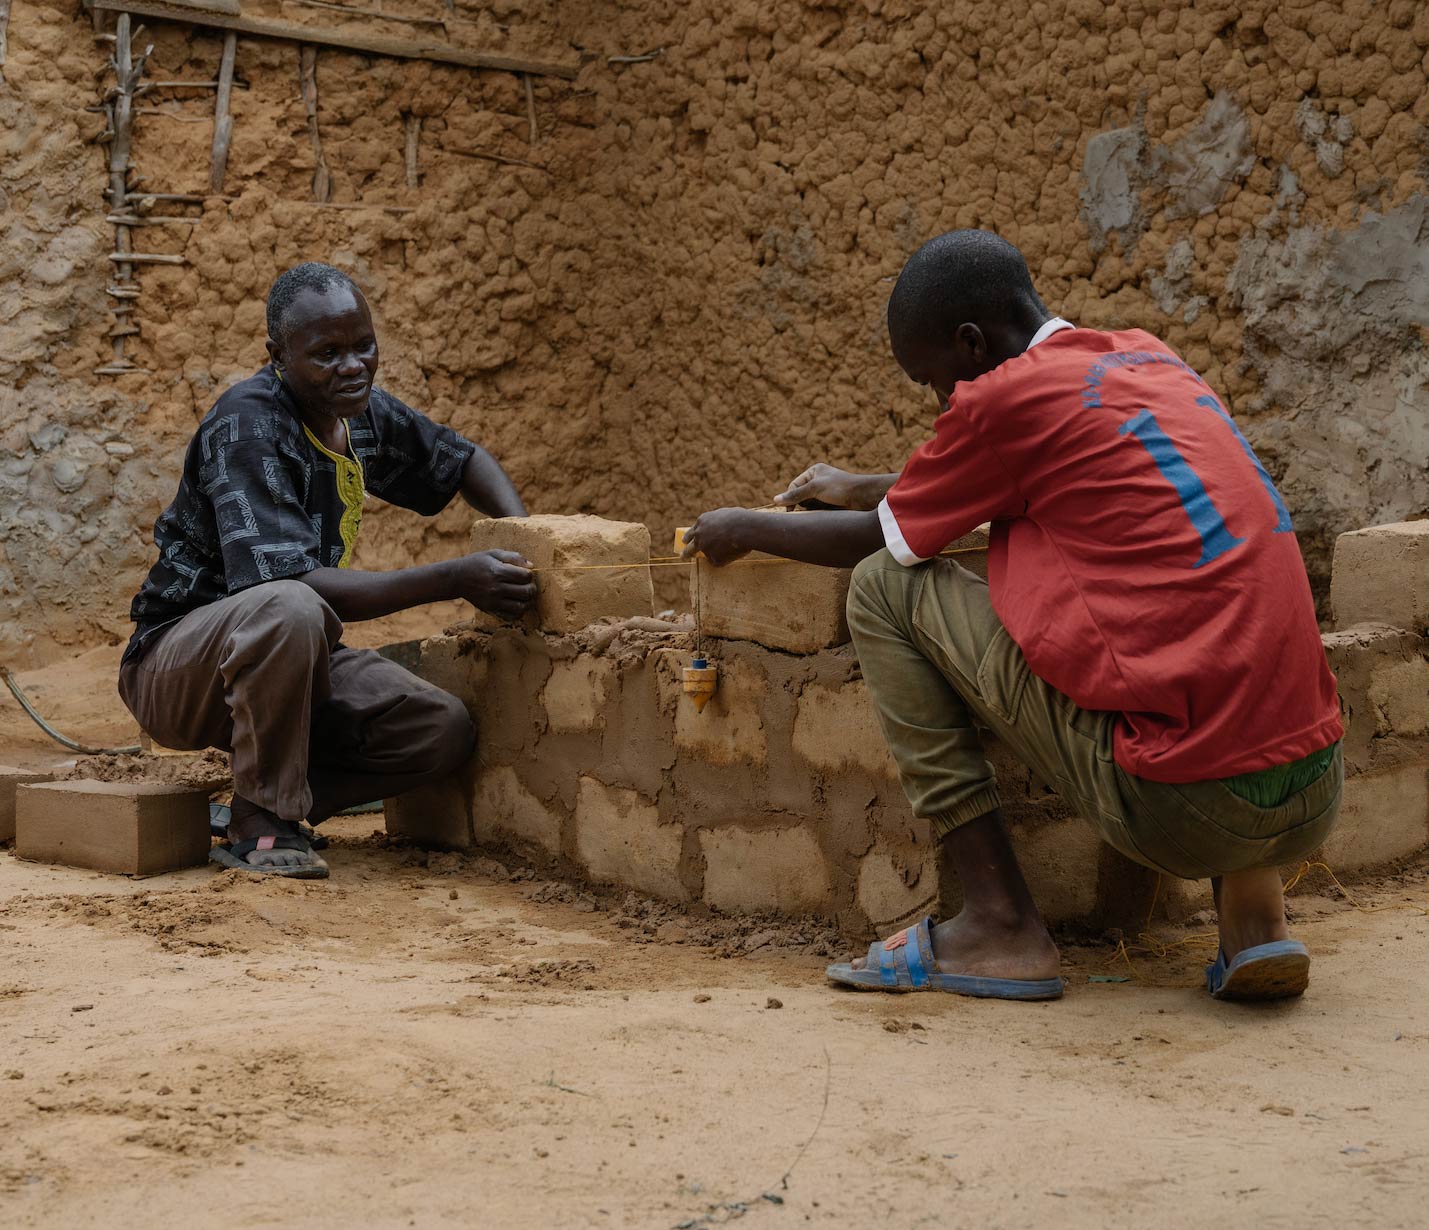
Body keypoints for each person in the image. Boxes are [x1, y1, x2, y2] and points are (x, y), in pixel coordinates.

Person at [682, 231, 1343, 1003]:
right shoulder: (1139, 358)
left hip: (1184, 808)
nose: (941, 406)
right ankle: (1255, 919)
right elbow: (1031, 469)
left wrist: (741, 528)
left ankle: (998, 924)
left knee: (881, 588)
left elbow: (879, 542)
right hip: (1315, 792)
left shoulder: (1001, 400)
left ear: (970, 344)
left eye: (934, 382)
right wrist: (869, 482)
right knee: (1203, 615)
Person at [119, 262, 537, 878]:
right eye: (327, 353)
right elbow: (293, 587)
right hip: (177, 665)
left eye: (364, 346)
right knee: (291, 605)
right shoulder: (248, 424)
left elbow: (463, 462)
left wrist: (531, 541)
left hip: (288, 648)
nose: (352, 366)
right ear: (279, 356)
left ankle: (264, 800)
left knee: (440, 729)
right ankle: (263, 819)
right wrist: (453, 577)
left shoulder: (355, 412)